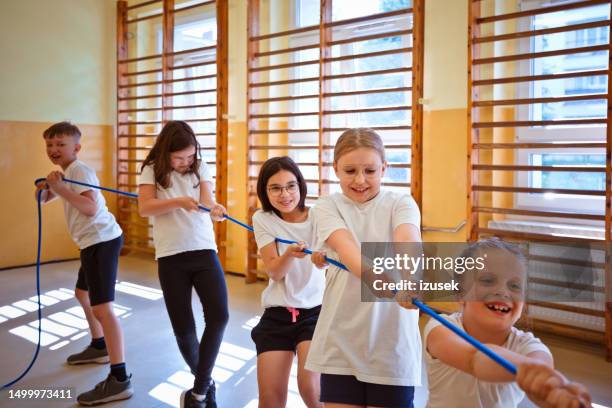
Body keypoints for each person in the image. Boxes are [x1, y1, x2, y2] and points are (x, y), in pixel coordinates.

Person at [306, 128, 422, 408]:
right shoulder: (325, 206)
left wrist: (413, 278)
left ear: (384, 168)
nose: (360, 180)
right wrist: (378, 279)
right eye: (350, 171)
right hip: (340, 342)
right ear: (335, 169)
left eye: (370, 170)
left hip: (391, 346)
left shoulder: (401, 202)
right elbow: (347, 249)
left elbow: (408, 238)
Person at [424, 238, 592, 408]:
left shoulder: (530, 346)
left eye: (514, 286)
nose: (503, 292)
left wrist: (554, 390)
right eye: (488, 280)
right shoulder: (441, 329)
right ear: (460, 293)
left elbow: (542, 372)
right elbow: (474, 359)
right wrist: (527, 370)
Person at [36, 121, 132, 405]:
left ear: (76, 147)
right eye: (50, 145)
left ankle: (120, 378)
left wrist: (59, 188)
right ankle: (99, 345)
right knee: (82, 293)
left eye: (60, 145)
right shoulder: (67, 173)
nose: (54, 150)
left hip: (102, 240)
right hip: (91, 243)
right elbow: (44, 198)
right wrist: (47, 188)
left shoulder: (80, 170)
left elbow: (89, 208)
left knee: (103, 308)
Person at [138, 120, 228, 408]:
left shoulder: (200, 166)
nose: (185, 162)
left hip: (203, 249)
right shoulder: (151, 168)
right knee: (183, 328)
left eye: (189, 157)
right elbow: (145, 207)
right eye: (179, 158)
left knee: (219, 316)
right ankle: (206, 386)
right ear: (165, 152)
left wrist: (215, 210)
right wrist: (178, 201)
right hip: (170, 255)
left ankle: (200, 389)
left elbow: (206, 201)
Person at [251, 156, 327, 408]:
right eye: (275, 188)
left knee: (310, 388)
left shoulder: (319, 215)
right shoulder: (262, 218)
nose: (285, 194)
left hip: (315, 314)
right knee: (270, 400)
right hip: (277, 314)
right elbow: (274, 271)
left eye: (290, 186)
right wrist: (289, 255)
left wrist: (323, 260)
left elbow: (334, 255)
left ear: (300, 186)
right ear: (265, 190)